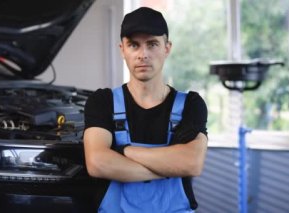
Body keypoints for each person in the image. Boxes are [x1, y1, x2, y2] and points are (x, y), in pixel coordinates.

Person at [83, 7, 208, 213]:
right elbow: (98, 163)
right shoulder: (103, 101)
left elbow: (191, 163)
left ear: (167, 48)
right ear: (122, 49)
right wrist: (169, 167)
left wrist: (123, 151)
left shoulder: (190, 105)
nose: (143, 54)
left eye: (152, 44)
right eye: (134, 45)